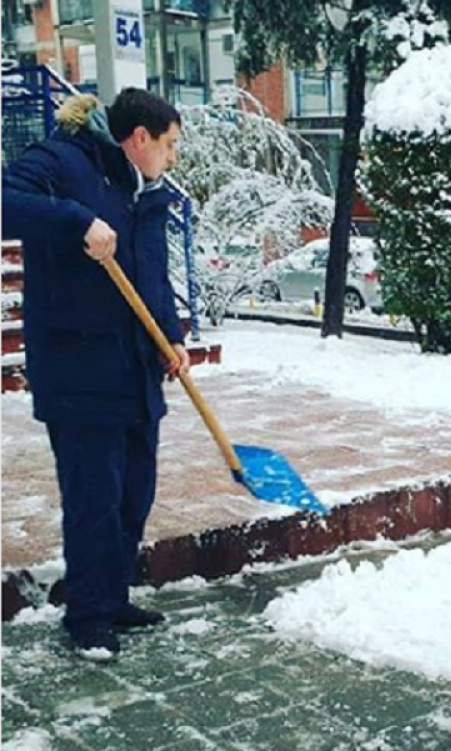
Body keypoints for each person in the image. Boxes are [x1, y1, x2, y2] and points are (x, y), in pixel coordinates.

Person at [2, 89, 189, 660]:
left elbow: (150, 276)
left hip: (134, 368)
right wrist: (76, 220)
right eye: (170, 145)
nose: (173, 158)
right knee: (94, 499)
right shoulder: (64, 162)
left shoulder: (148, 190)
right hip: (79, 368)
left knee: (135, 493)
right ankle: (86, 614)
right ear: (139, 140)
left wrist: (172, 336)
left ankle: (110, 596)